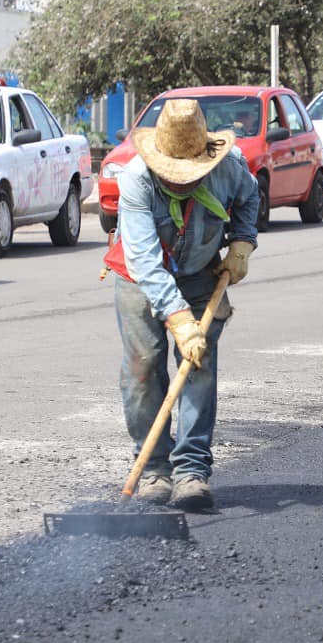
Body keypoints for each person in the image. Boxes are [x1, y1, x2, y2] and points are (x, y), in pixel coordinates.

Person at [103, 98, 259, 512]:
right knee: (142, 368)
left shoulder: (228, 167)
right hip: (140, 278)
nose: (182, 182)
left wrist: (242, 243)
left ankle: (191, 471)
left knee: (198, 365)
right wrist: (180, 321)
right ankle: (154, 468)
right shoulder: (135, 180)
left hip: (200, 274)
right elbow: (146, 264)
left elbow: (249, 198)